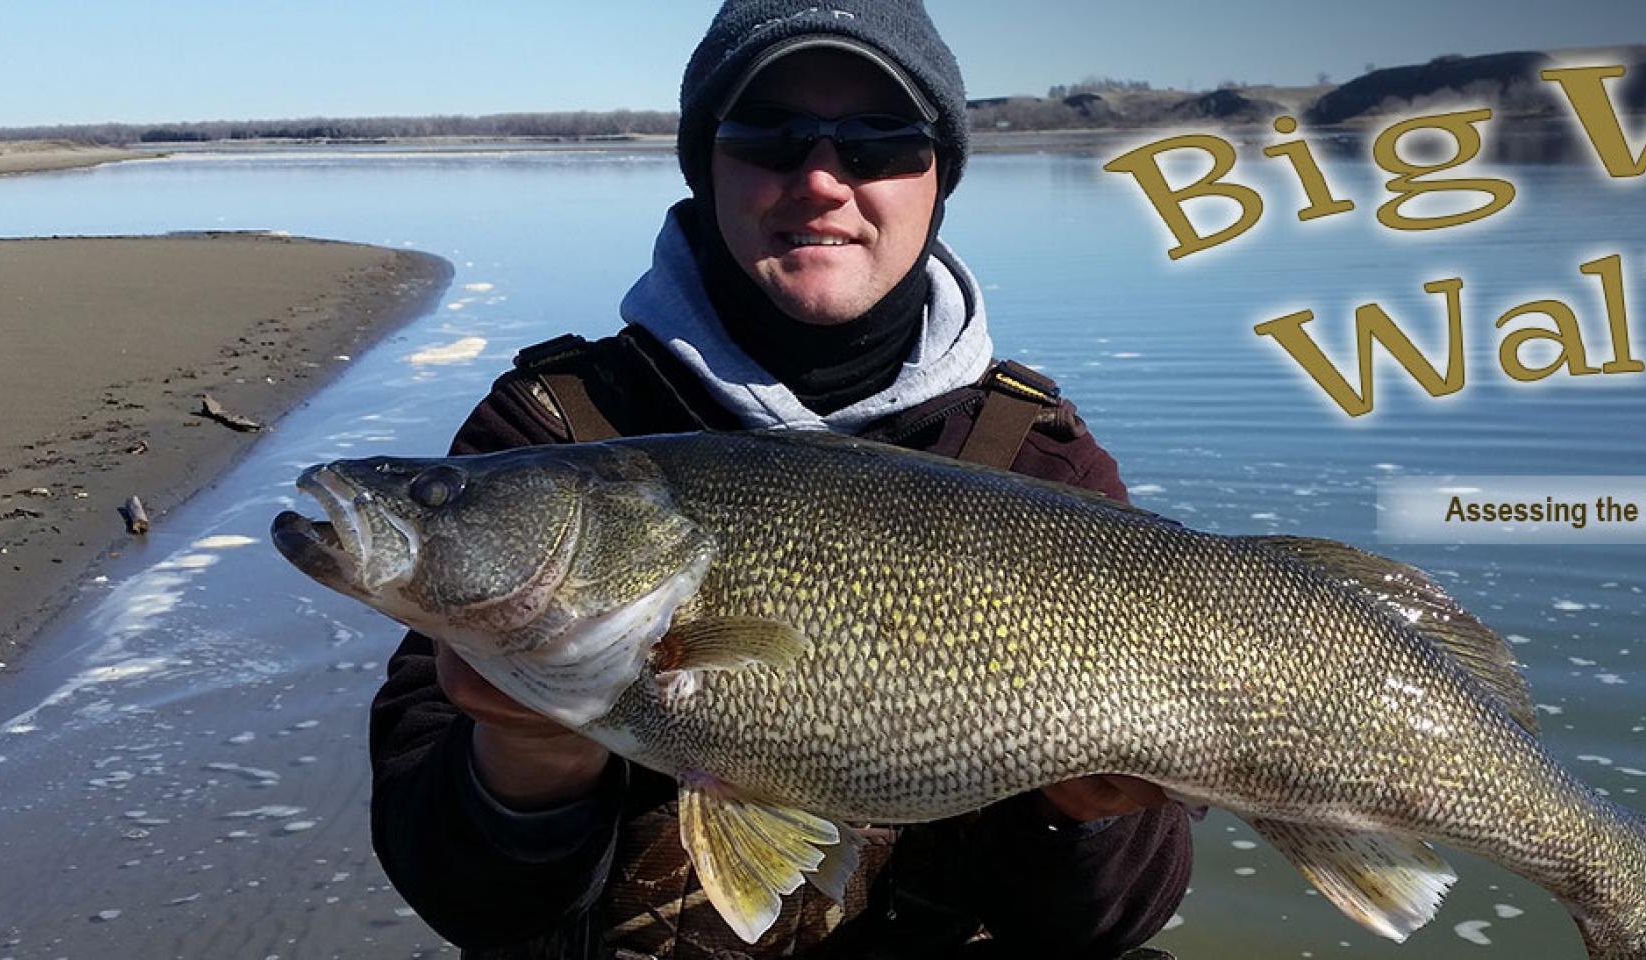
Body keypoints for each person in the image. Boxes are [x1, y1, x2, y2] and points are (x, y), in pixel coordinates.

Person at [366, 2, 1194, 957]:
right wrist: (530, 751)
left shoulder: (1039, 460)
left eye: (882, 142)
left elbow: (1103, 926)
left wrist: (1084, 812)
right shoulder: (557, 429)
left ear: (940, 179)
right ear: (704, 164)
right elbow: (466, 901)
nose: (821, 180)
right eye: (767, 134)